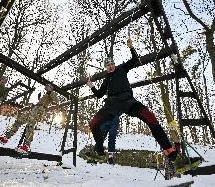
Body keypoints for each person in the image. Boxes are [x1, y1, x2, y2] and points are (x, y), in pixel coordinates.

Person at [86, 38, 201, 170]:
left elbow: (135, 59)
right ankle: (99, 151)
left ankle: (173, 156)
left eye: (112, 64)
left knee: (150, 117)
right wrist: (91, 86)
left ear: (114, 64)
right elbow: (99, 94)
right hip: (112, 105)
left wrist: (131, 47)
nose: (110, 66)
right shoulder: (106, 78)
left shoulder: (122, 69)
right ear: (106, 67)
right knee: (93, 123)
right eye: (108, 65)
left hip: (128, 101)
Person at [0, 83, 59, 153]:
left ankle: (26, 146)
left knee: (30, 125)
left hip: (40, 110)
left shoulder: (52, 93)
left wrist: (50, 91)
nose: (45, 86)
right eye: (46, 85)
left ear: (51, 88)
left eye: (47, 86)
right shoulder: (45, 94)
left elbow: (57, 101)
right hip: (35, 109)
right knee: (19, 121)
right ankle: (6, 137)